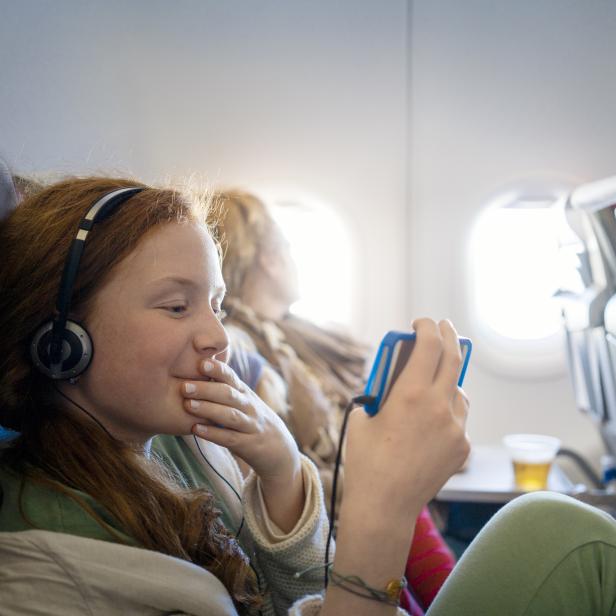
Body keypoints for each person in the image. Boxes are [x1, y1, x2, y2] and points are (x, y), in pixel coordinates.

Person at [2, 176, 616, 616]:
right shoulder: (53, 570)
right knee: (566, 537)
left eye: (215, 305)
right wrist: (381, 514)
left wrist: (280, 467)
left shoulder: (179, 444)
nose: (217, 336)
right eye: (175, 306)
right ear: (61, 343)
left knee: (549, 523)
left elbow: (293, 597)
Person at [212, 189, 457, 613]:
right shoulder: (240, 347)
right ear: (269, 259)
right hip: (333, 511)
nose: (294, 261)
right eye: (288, 249)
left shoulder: (299, 336)